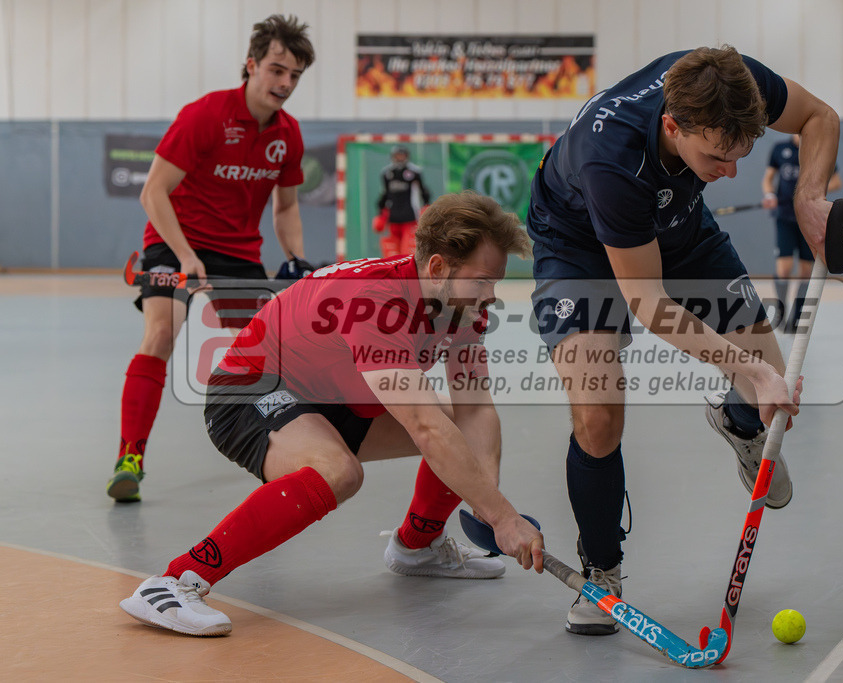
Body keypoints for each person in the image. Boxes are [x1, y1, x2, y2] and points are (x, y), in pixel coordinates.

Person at [119, 191, 546, 636]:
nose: (492, 297)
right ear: (438, 267)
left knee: (459, 431)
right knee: (340, 471)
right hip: (248, 390)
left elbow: (475, 409)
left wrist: (486, 501)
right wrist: (502, 518)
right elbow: (426, 428)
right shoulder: (377, 300)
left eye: (497, 282)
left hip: (332, 399)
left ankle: (417, 547)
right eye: (483, 282)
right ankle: (175, 581)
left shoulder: (464, 307)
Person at [527, 45, 837, 635]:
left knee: (770, 390)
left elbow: (821, 117)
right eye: (717, 157)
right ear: (672, 125)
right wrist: (748, 370)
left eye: (742, 154)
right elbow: (647, 302)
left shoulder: (732, 80)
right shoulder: (610, 157)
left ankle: (738, 424)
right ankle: (603, 572)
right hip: (579, 247)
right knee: (598, 414)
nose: (732, 172)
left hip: (680, 228)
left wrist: (808, 195)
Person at [107, 15, 317, 502]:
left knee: (268, 359)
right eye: (276, 70)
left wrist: (297, 259)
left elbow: (286, 207)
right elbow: (154, 192)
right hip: (173, 238)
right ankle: (129, 458)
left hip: (239, 253)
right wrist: (184, 256)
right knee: (162, 331)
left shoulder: (289, 134)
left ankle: (284, 457)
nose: (284, 83)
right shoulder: (205, 115)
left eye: (294, 75)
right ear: (251, 65)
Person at [762, 134, 843, 332]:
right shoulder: (780, 149)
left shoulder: (819, 151)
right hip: (785, 217)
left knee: (806, 272)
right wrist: (770, 194)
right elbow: (768, 178)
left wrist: (811, 191)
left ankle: (797, 318)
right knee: (784, 268)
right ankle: (780, 312)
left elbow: (836, 181)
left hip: (808, 219)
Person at [373, 146, 432, 257]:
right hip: (393, 217)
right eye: (397, 155)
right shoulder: (387, 173)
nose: (399, 158)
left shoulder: (414, 172)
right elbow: (385, 195)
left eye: (402, 155)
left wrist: (426, 207)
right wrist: (381, 212)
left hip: (410, 217)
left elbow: (424, 192)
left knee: (408, 251)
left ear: (407, 156)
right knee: (392, 253)